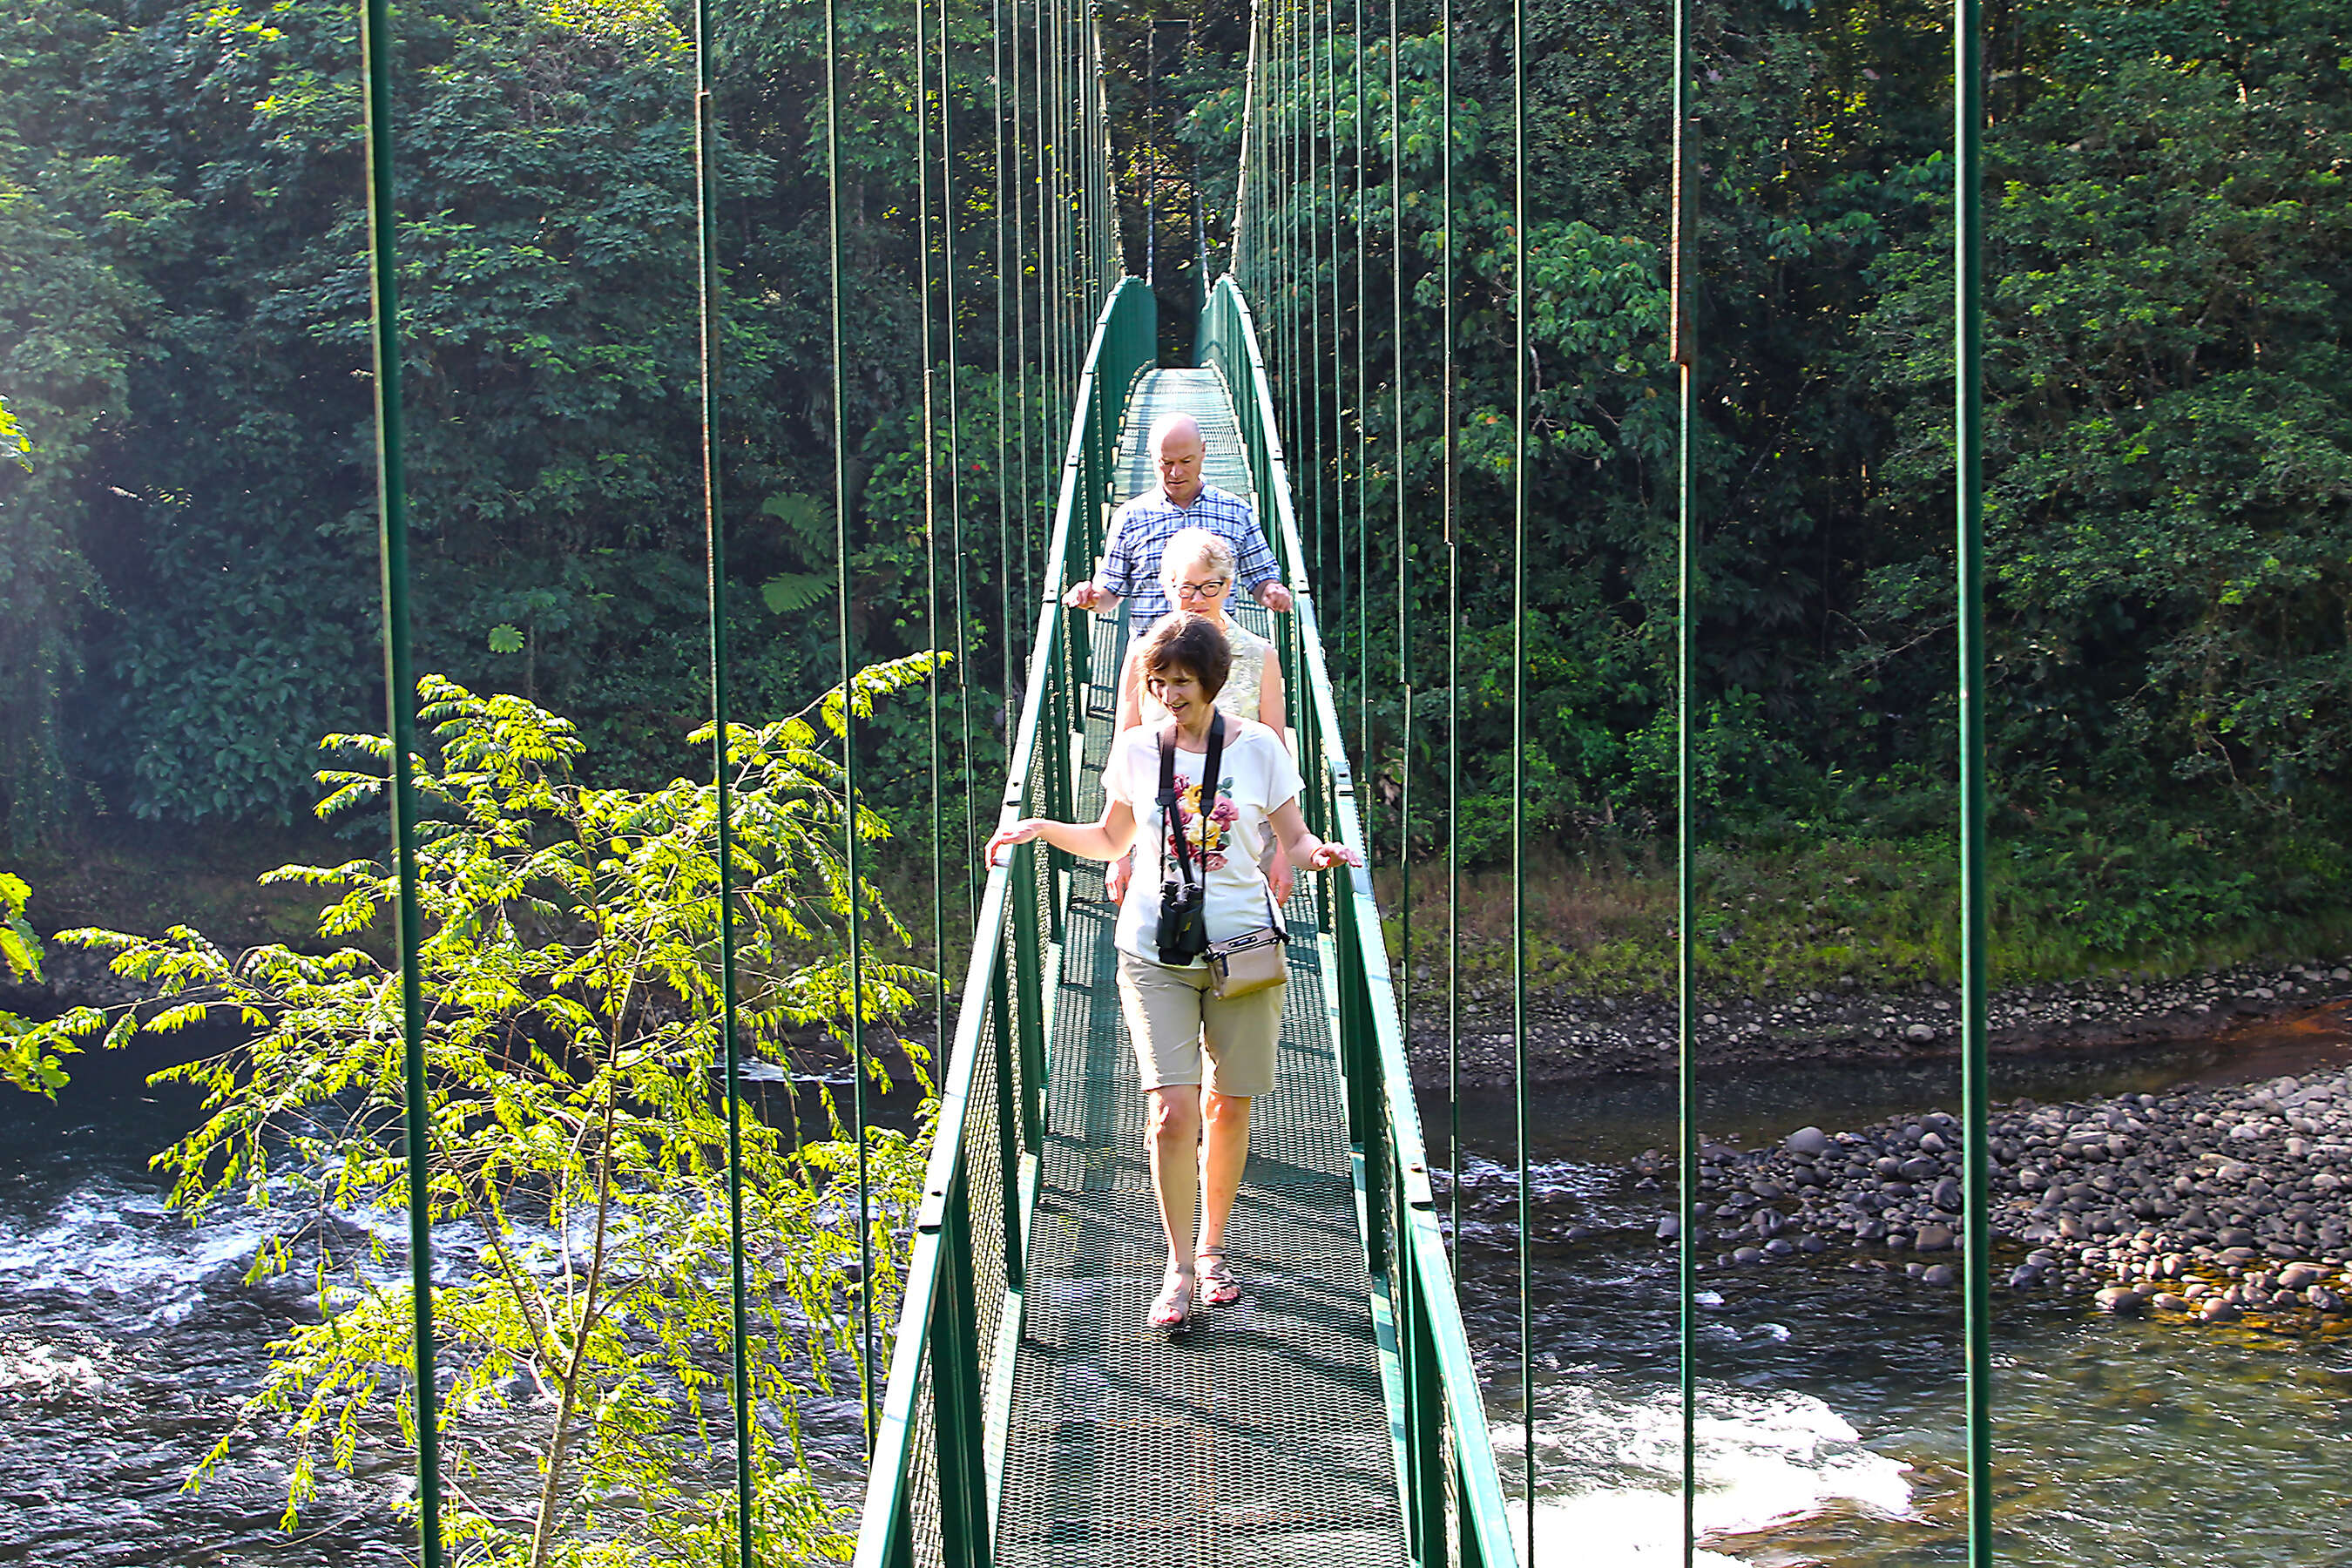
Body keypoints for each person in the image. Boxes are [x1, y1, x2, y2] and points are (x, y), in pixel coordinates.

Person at [983, 613, 1360, 1331]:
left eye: (1180, 681)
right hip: (1153, 950)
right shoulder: (1133, 749)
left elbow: (1296, 839)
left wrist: (1322, 856)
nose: (1167, 694)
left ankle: (1217, 1248)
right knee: (1172, 1112)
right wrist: (1039, 829)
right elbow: (1110, 837)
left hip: (1243, 946)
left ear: (1211, 682)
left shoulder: (1260, 751)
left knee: (1230, 1104)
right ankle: (1179, 1266)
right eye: (1157, 681)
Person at [1104, 527, 1293, 910]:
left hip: (1242, 828)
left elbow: (1278, 751)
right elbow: (1126, 743)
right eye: (1186, 588)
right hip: (1164, 826)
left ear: (1229, 585)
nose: (1197, 599)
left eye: (1211, 587)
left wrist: (1286, 852)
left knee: (1242, 938)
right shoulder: (1143, 654)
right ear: (1167, 587)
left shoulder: (1260, 655)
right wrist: (1117, 852)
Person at [1062, 412, 1294, 630]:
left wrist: (1273, 591)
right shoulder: (1130, 517)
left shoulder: (1236, 511)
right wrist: (1090, 597)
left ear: (1203, 451)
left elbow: (1262, 579)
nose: (1176, 473)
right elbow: (1109, 591)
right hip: (1152, 662)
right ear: (1151, 456)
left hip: (1215, 661)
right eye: (1166, 463)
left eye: (1186, 461)